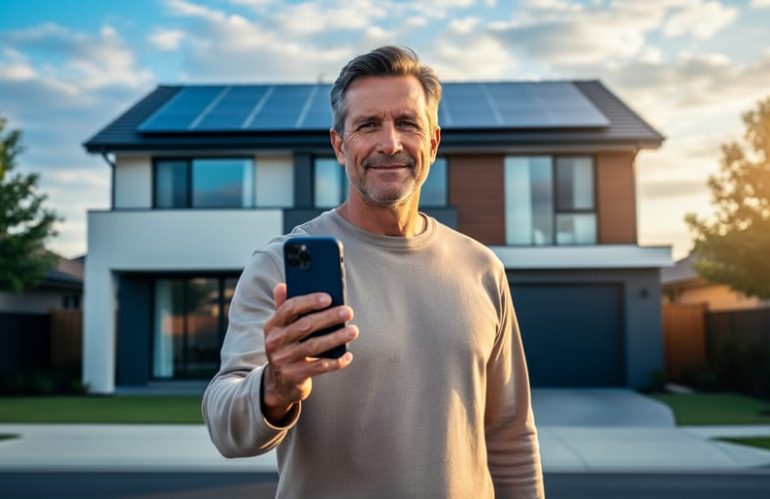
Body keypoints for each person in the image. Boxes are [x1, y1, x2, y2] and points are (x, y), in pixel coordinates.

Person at [202, 46, 545, 498]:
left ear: (434, 142)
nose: (390, 144)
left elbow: (510, 433)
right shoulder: (278, 266)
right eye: (367, 125)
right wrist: (275, 385)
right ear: (339, 145)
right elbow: (227, 429)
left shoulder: (481, 268)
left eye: (407, 124)